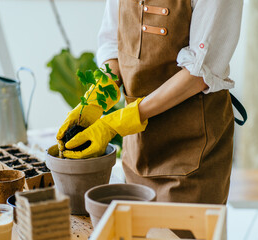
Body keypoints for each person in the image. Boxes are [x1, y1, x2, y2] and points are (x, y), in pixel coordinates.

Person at [57, 0, 244, 204]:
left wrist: (123, 120)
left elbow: (199, 73)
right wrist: (97, 97)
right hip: (137, 148)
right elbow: (112, 44)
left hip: (192, 152)